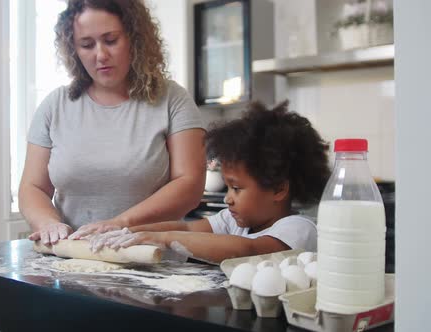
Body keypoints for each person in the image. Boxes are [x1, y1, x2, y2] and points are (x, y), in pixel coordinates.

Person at [19, 0, 206, 245]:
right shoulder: (54, 106)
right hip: (72, 257)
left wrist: (120, 225)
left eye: (111, 40)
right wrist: (48, 222)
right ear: (74, 50)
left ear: (135, 39)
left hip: (150, 256)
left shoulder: (172, 99)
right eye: (86, 45)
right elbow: (33, 187)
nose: (100, 55)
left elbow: (189, 185)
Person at [89, 101, 331, 264]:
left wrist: (162, 239)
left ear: (279, 188)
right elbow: (185, 229)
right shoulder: (233, 221)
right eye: (228, 187)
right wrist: (129, 233)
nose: (228, 198)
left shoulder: (298, 229)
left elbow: (246, 250)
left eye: (236, 188)